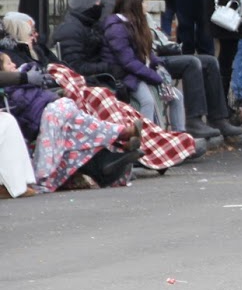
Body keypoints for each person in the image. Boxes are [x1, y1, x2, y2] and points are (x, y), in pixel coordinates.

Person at [98, 0, 239, 140]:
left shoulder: (133, 15)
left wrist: (159, 59)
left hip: (150, 59)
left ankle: (216, 119)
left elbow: (147, 45)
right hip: (135, 70)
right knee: (191, 63)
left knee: (208, 61)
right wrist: (155, 72)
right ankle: (188, 123)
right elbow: (127, 57)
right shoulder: (114, 16)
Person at [0, 52, 144, 191]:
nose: (13, 64)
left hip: (47, 112)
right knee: (76, 121)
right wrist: (25, 79)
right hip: (38, 118)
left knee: (74, 130)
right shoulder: (12, 89)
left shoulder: (19, 83)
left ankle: (106, 163)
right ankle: (120, 136)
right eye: (8, 63)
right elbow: (23, 102)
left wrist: (42, 81)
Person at [101, 0, 186, 135]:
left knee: (177, 97)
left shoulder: (136, 24)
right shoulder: (117, 28)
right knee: (147, 101)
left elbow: (146, 51)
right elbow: (128, 62)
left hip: (141, 72)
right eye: (142, 2)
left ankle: (180, 134)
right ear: (133, 5)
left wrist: (158, 65)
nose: (145, 5)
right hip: (126, 76)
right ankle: (147, 140)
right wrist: (155, 77)